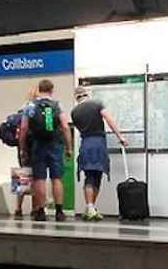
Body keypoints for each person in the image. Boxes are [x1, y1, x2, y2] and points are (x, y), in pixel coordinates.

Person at [70, 86, 128, 221]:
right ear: (87, 94)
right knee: (96, 176)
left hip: (85, 144)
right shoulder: (97, 104)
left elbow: (79, 128)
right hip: (98, 143)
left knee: (89, 176)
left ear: (77, 97)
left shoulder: (74, 112)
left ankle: (90, 208)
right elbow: (109, 119)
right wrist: (120, 136)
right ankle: (90, 207)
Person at [18, 78, 72, 222]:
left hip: (38, 145)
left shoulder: (29, 105)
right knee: (56, 178)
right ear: (51, 90)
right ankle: (59, 212)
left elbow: (23, 128)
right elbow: (65, 127)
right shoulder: (57, 105)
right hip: (55, 144)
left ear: (39, 89)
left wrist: (23, 148)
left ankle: (40, 211)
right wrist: (69, 148)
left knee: (39, 179)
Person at [11, 88, 37, 219]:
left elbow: (20, 131)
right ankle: (34, 209)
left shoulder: (21, 110)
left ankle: (18, 208)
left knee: (22, 176)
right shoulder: (36, 110)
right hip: (35, 147)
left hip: (22, 147)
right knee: (36, 178)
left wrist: (21, 149)